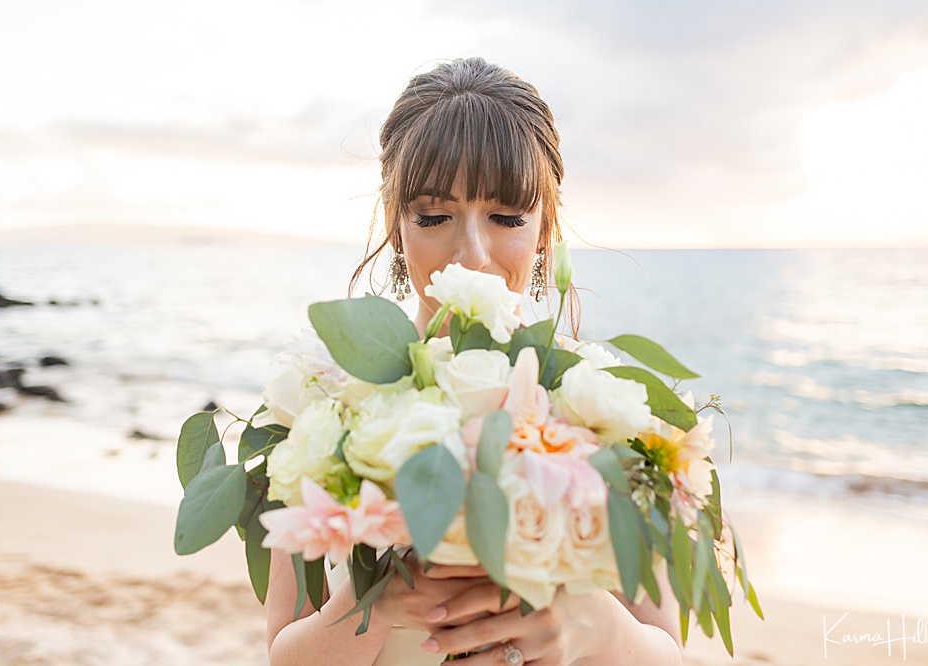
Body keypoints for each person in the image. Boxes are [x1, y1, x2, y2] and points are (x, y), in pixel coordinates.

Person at [265, 57, 684, 666]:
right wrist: (374, 606)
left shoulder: (603, 408)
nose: (472, 254)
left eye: (507, 218)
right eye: (434, 217)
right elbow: (284, 652)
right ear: (395, 220)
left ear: (543, 229)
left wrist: (594, 626)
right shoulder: (320, 404)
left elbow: (666, 648)